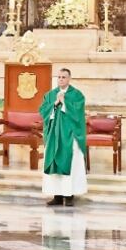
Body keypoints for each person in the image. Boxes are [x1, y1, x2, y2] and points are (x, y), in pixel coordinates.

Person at [39, 68, 87, 206]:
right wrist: (55, 103)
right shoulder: (50, 95)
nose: (61, 79)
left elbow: (78, 113)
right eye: (59, 77)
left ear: (69, 78)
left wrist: (64, 102)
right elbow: (43, 111)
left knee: (71, 164)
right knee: (54, 163)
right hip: (54, 136)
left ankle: (70, 195)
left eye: (64, 77)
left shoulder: (77, 95)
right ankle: (57, 195)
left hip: (71, 136)